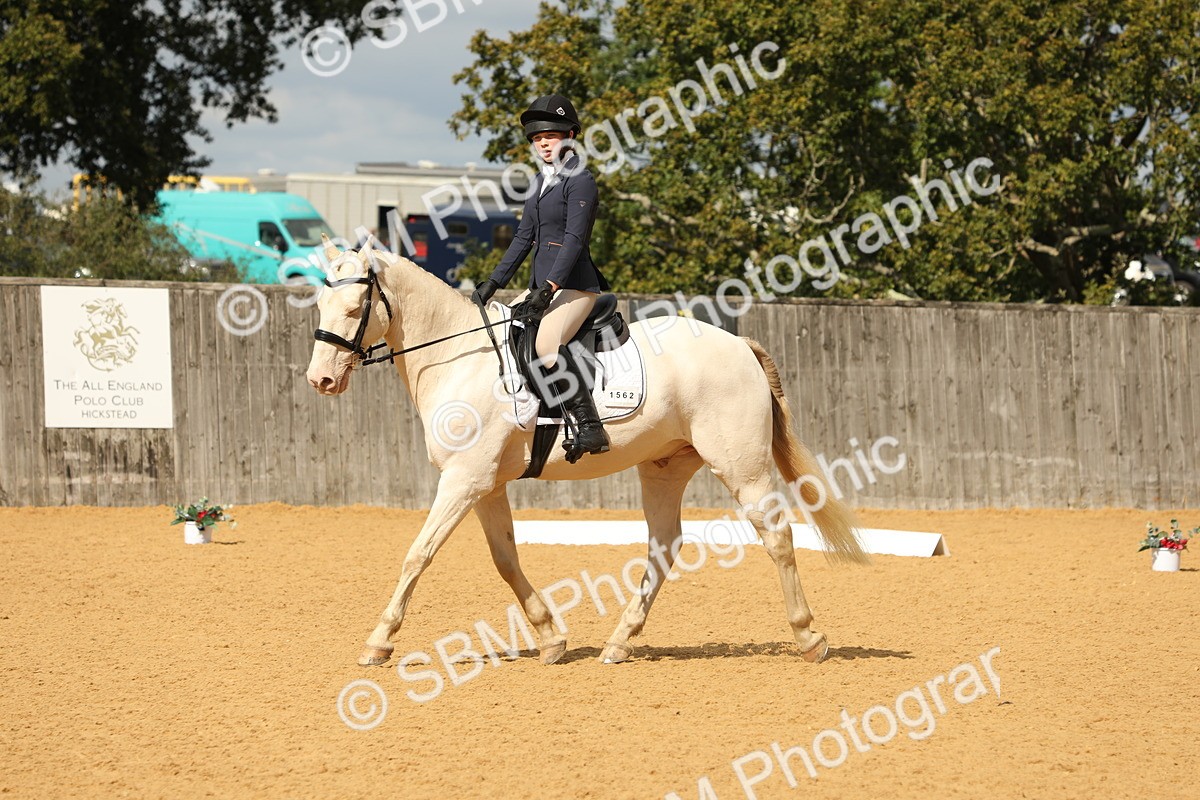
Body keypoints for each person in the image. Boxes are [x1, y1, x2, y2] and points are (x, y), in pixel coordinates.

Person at [471, 93, 611, 463]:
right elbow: (523, 237)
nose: (543, 143)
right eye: (537, 138)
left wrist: (549, 287)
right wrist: (493, 283)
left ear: (569, 136)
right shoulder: (539, 182)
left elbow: (574, 240)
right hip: (543, 287)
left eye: (550, 135)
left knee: (547, 347)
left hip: (576, 286)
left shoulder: (580, 181)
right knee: (506, 332)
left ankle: (589, 426)